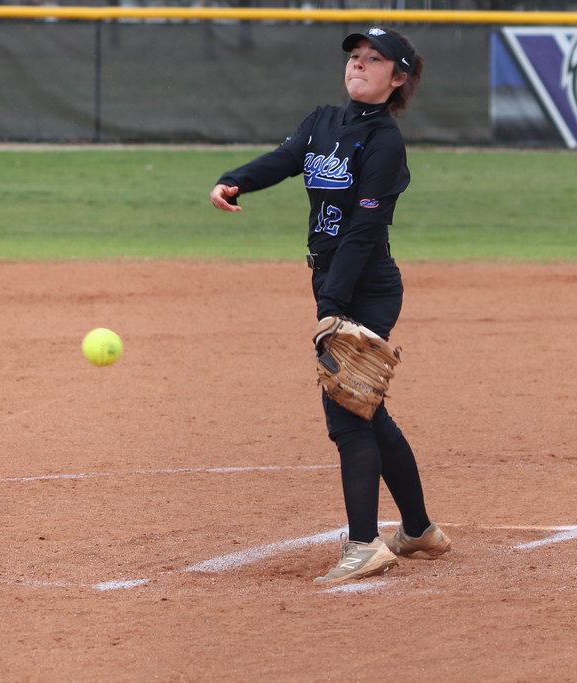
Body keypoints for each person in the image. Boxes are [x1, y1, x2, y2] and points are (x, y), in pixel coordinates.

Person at [209, 27, 451, 584]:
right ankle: (415, 529)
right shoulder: (323, 121)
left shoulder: (385, 142)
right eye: (355, 57)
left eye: (375, 60)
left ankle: (365, 544)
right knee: (366, 408)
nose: (359, 66)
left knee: (346, 416)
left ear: (399, 79)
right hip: (334, 282)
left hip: (364, 284)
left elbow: (366, 229)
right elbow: (285, 158)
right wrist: (235, 181)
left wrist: (335, 305)